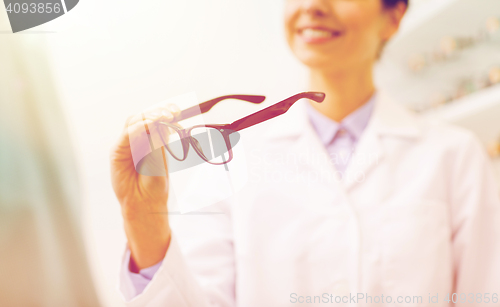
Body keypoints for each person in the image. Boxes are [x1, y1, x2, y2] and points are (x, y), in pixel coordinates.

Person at [110, 0, 500, 306]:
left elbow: (483, 293)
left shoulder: (453, 155)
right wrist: (141, 217)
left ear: (393, 16)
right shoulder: (228, 158)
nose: (312, 4)